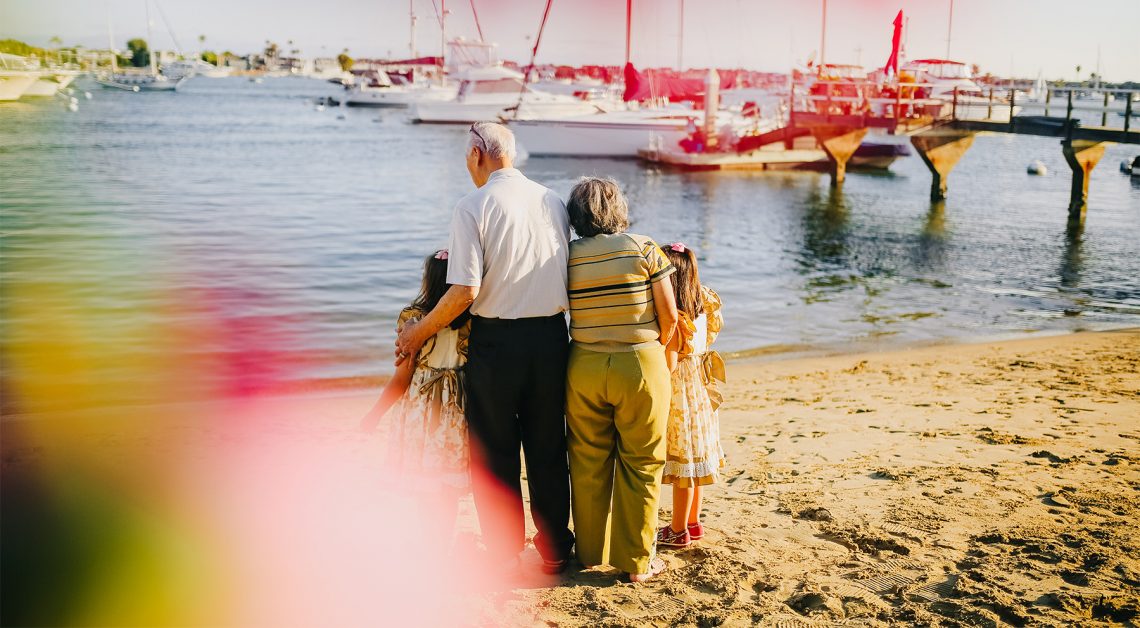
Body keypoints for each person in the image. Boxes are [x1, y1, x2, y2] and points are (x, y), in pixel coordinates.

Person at [394, 122, 575, 575]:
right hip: (553, 338)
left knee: (495, 452)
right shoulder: (552, 200)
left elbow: (464, 291)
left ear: (477, 153)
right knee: (547, 445)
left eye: (465, 155)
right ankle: (554, 549)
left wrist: (418, 332)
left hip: (496, 341)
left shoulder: (472, 205)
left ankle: (503, 550)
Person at [563, 177, 679, 583]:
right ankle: (635, 562)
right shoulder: (644, 247)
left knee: (587, 462)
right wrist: (650, 351)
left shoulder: (567, 255)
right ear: (618, 208)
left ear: (575, 215)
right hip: (640, 365)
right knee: (643, 463)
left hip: (583, 365)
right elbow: (671, 317)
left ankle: (590, 552)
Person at [359, 249, 471, 539]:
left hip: (421, 412)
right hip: (458, 410)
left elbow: (401, 378)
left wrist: (374, 414)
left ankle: (429, 540)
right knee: (448, 485)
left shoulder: (412, 320)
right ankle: (443, 540)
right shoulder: (475, 319)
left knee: (425, 484)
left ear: (427, 281)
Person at [655, 243, 727, 549]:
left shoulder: (677, 319)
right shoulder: (703, 305)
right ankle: (693, 523)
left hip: (681, 394)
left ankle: (677, 530)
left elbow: (670, 363)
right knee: (695, 464)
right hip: (700, 387)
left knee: (683, 468)